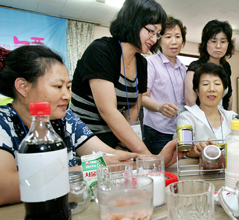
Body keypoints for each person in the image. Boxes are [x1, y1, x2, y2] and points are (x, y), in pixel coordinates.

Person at [0, 45, 184, 206]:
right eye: (58, 87)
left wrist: (154, 162)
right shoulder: (3, 123)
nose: (67, 95)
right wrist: (87, 169)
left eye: (68, 87)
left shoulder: (66, 120)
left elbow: (109, 157)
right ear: (23, 87)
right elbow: (5, 187)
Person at [70, 0, 166, 154]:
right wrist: (146, 155)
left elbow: (132, 110)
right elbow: (107, 110)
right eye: (150, 31)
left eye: (157, 34)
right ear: (133, 22)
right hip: (84, 140)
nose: (154, 39)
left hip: (113, 139)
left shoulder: (141, 62)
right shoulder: (101, 51)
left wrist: (124, 146)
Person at [142, 16, 187, 154]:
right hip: (157, 131)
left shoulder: (184, 68)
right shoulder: (150, 63)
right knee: (160, 171)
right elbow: (143, 97)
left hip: (180, 129)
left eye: (178, 36)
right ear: (159, 39)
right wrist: (160, 107)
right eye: (168, 37)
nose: (174, 42)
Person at [176, 63, 237, 156]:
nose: (212, 89)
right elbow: (183, 150)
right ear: (197, 90)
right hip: (198, 169)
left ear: (223, 89)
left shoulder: (231, 118)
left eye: (217, 84)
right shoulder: (187, 118)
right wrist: (196, 150)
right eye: (205, 84)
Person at [185, 20, 235, 110]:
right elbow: (190, 102)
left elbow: (228, 97)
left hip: (222, 118)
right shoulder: (195, 67)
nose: (218, 46)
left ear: (228, 44)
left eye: (223, 41)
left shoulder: (226, 67)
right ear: (206, 43)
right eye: (213, 41)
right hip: (199, 119)